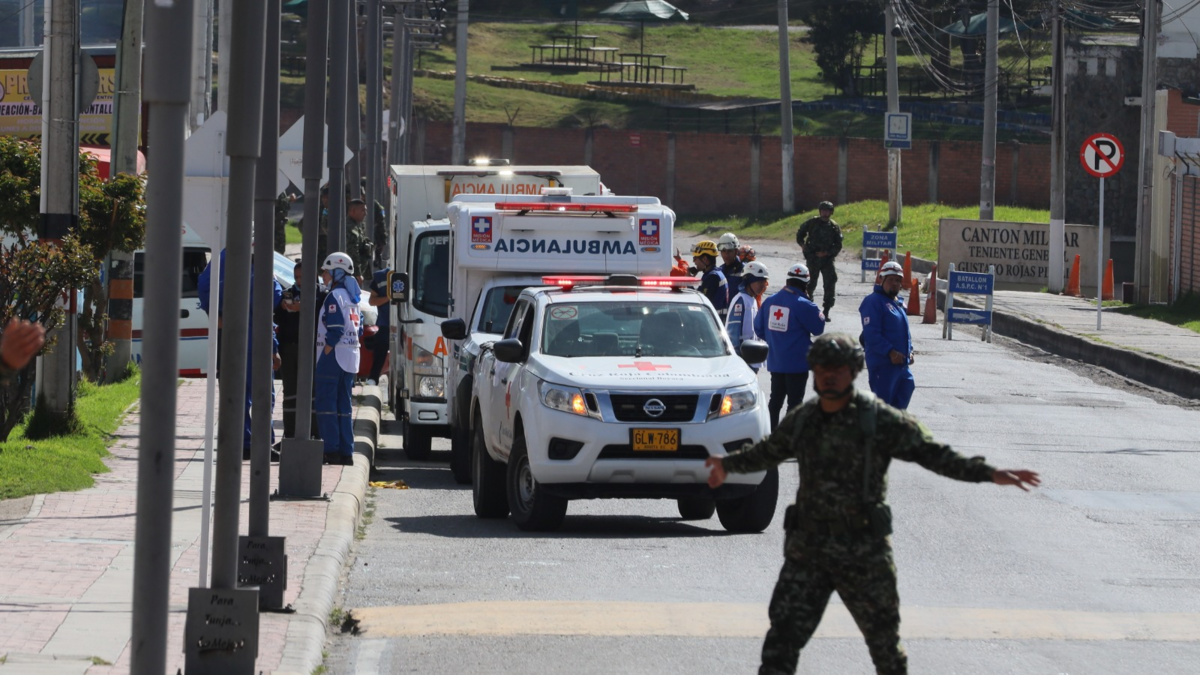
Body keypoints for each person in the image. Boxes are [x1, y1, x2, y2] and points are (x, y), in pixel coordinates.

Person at [705, 333, 1041, 675]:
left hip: (863, 551)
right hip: (809, 551)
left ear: (853, 371)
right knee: (780, 645)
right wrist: (726, 465)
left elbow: (934, 454)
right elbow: (767, 452)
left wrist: (990, 473)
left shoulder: (877, 419)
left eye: (837, 368)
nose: (829, 375)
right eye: (822, 368)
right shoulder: (804, 420)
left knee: (885, 649)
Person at [197, 247, 283, 459]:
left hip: (233, 345)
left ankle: (243, 444)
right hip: (259, 347)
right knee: (264, 398)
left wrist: (213, 312)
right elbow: (269, 312)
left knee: (239, 397)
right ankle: (263, 444)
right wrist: (274, 349)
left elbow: (205, 284)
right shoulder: (265, 281)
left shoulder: (227, 277)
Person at [755, 263, 826, 431]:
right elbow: (818, 328)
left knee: (775, 401)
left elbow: (759, 328)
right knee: (795, 404)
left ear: (787, 281)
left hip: (776, 362)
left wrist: (775, 341)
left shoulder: (770, 301)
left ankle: (770, 434)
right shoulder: (804, 305)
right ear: (806, 284)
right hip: (797, 364)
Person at [315, 252, 363, 466]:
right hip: (351, 357)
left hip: (334, 356)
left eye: (326, 272)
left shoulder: (335, 296)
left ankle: (331, 450)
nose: (323, 276)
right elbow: (358, 328)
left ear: (337, 272)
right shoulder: (353, 297)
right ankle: (346, 452)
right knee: (344, 406)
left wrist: (326, 350)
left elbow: (335, 329)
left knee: (326, 404)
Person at [275, 259, 323, 441]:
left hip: (312, 349)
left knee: (312, 392)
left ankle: (314, 433)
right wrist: (282, 307)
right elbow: (277, 320)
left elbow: (321, 315)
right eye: (296, 277)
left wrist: (304, 307)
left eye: (303, 277)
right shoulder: (288, 293)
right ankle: (289, 434)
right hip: (289, 348)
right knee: (290, 393)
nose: (299, 281)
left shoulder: (321, 294)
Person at [859, 260, 915, 410]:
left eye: (897, 280)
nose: (894, 284)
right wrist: (890, 352)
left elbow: (904, 332)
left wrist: (910, 350)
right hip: (883, 365)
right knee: (883, 408)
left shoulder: (898, 303)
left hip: (901, 365)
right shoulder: (873, 301)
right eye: (890, 279)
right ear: (881, 279)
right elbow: (871, 334)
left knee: (906, 390)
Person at [795, 200, 843, 321]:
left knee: (830, 283)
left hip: (827, 260)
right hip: (813, 259)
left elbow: (838, 245)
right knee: (809, 284)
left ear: (831, 212)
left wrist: (827, 253)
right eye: (823, 210)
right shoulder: (812, 223)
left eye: (827, 211)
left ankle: (826, 311)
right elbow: (800, 233)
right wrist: (803, 245)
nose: (825, 213)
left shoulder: (834, 226)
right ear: (820, 211)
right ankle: (807, 308)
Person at [726, 261, 769, 371]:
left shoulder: (752, 299)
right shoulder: (741, 300)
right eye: (759, 282)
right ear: (749, 280)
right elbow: (733, 331)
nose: (763, 286)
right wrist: (737, 358)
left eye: (764, 282)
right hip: (742, 360)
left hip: (752, 358)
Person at [365, 265, 392, 385]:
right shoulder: (381, 276)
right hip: (385, 323)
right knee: (380, 345)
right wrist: (389, 297)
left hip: (409, 321)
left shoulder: (414, 269)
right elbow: (372, 301)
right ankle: (373, 377)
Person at [691, 240, 729, 319]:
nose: (694, 262)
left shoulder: (712, 277)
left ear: (705, 259)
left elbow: (700, 301)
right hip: (716, 319)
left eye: (695, 258)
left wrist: (689, 284)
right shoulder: (715, 273)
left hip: (712, 320)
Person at [346, 199, 375, 279]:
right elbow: (353, 253)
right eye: (363, 211)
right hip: (352, 274)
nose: (365, 214)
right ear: (354, 211)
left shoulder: (357, 226)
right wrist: (357, 274)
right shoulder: (350, 229)